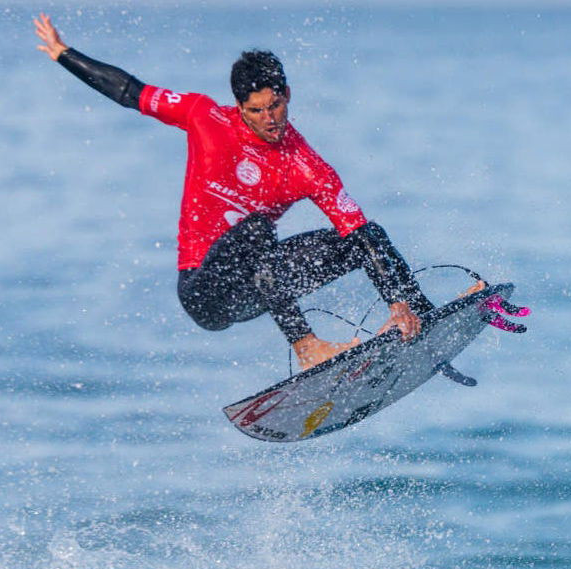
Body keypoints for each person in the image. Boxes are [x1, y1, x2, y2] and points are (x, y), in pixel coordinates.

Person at [34, 14, 461, 370]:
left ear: (287, 95)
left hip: (259, 289)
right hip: (205, 290)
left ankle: (418, 317)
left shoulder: (305, 165)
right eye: (256, 110)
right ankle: (308, 348)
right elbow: (131, 92)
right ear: (239, 107)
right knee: (257, 229)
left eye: (275, 105)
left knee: (368, 237)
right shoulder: (203, 116)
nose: (269, 118)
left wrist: (397, 301)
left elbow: (360, 232)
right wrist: (63, 54)